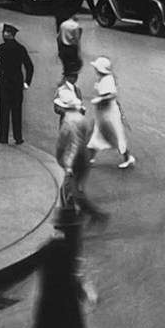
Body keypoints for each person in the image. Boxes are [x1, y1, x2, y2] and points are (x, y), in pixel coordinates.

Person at [21, 207, 96, 328]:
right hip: (60, 310)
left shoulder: (55, 247)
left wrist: (81, 290)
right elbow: (66, 279)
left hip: (53, 310)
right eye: (76, 228)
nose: (79, 232)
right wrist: (81, 291)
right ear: (70, 229)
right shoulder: (60, 249)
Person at [54, 83, 106, 224]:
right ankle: (76, 217)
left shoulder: (70, 121)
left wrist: (69, 165)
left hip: (76, 161)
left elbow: (74, 144)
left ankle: (85, 216)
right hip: (82, 158)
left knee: (70, 191)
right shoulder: (78, 117)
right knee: (71, 191)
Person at [0, 23, 34, 145]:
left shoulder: (2, 47)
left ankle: (3, 137)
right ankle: (18, 137)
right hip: (17, 81)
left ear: (8, 34)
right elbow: (29, 66)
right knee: (17, 110)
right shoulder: (21, 48)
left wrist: (0, 71)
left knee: (3, 109)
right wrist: (27, 82)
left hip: (4, 81)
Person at [87, 57, 134, 169]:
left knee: (115, 136)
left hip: (109, 114)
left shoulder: (108, 80)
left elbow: (112, 94)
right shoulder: (103, 78)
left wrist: (100, 99)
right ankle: (90, 158)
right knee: (96, 134)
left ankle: (128, 157)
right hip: (102, 113)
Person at [55, 9, 83, 81]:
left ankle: (64, 80)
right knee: (73, 68)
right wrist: (79, 53)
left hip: (63, 48)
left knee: (66, 67)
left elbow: (58, 38)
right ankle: (70, 82)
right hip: (72, 48)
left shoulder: (63, 24)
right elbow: (77, 40)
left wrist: (59, 50)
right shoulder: (76, 26)